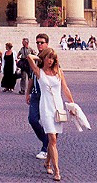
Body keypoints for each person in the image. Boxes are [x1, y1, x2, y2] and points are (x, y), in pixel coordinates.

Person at [27, 46, 75, 181]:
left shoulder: (59, 72)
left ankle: (47, 162)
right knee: (52, 139)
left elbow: (65, 88)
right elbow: (29, 57)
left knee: (54, 139)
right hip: (46, 108)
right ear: (45, 58)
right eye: (49, 58)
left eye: (53, 59)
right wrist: (41, 57)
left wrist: (72, 104)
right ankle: (57, 171)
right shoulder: (39, 72)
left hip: (58, 108)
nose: (51, 61)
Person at [26, 33, 50, 161]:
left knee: (47, 123)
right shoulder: (34, 58)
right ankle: (47, 141)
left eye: (41, 42)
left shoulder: (51, 58)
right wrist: (27, 93)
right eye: (37, 42)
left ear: (47, 43)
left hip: (47, 96)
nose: (39, 45)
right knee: (33, 120)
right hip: (35, 94)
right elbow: (31, 77)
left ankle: (45, 148)